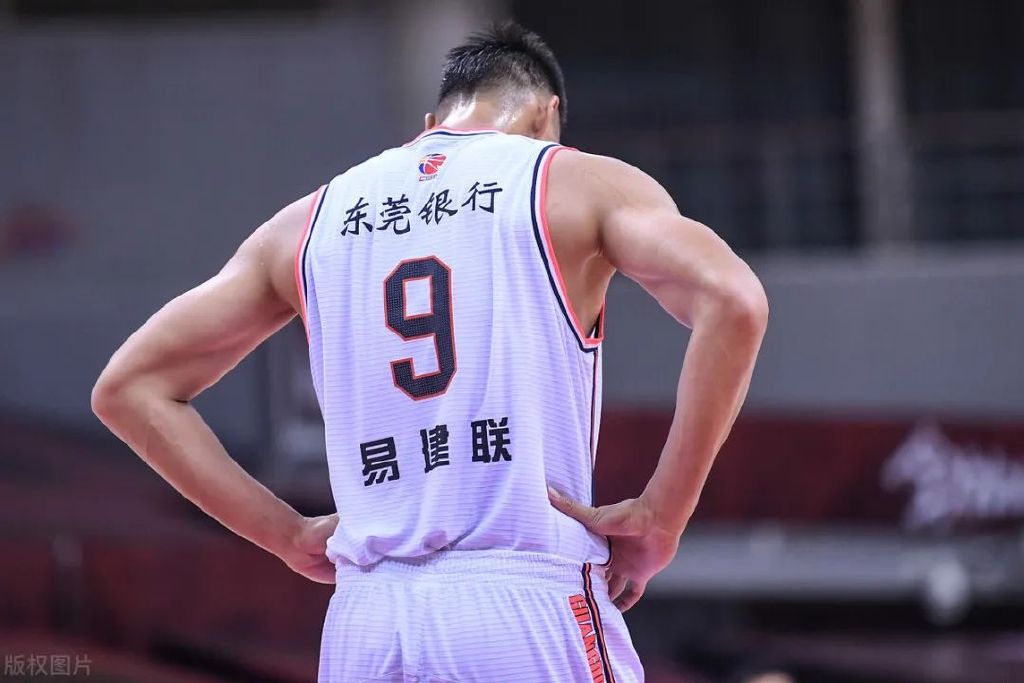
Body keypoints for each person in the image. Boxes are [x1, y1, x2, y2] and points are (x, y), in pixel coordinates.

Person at [91, 21, 768, 683]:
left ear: (430, 121)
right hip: (520, 596)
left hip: (367, 615)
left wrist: (286, 534)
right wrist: (661, 516)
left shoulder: (308, 220)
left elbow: (128, 388)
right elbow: (734, 301)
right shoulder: (576, 180)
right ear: (547, 115)